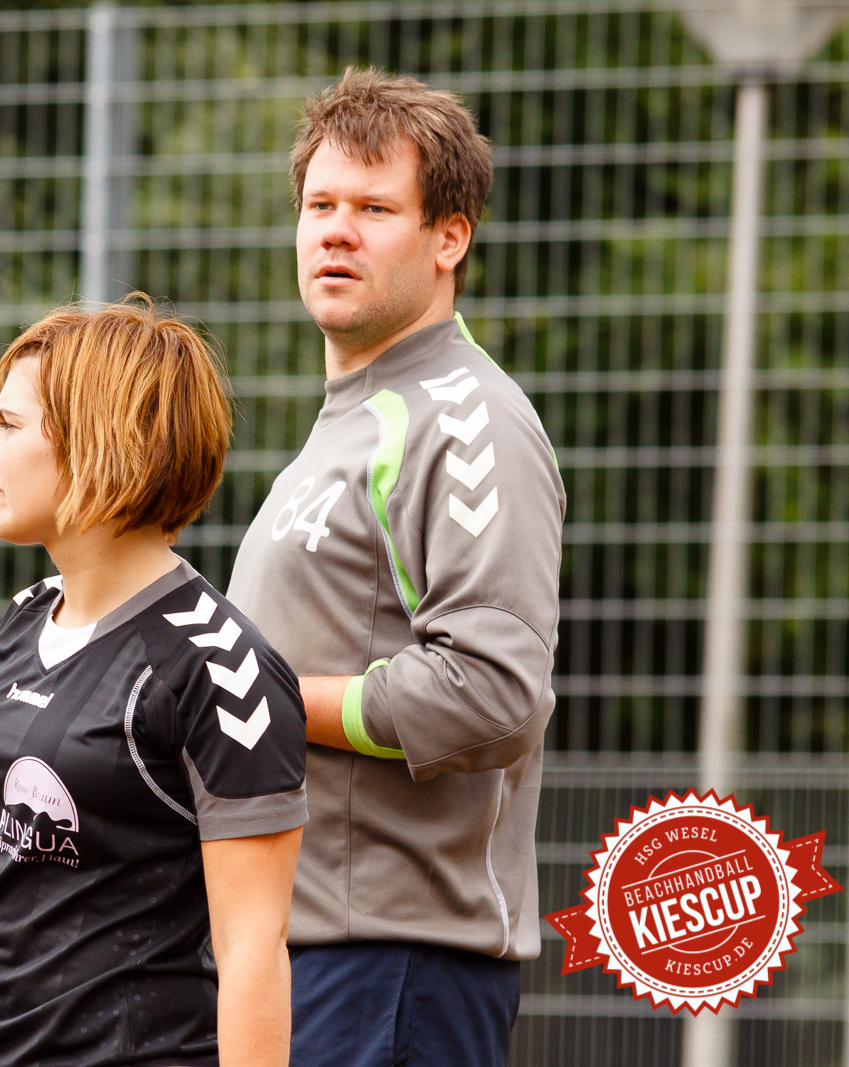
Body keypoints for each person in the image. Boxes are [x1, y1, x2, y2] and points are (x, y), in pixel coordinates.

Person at [0, 298, 308, 1067]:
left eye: (7, 424)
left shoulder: (221, 664)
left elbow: (251, 950)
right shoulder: (24, 618)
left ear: (99, 442)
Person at [224, 69, 566, 1067]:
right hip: (302, 950)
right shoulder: (346, 423)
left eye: (374, 208)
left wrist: (265, 699)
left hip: (398, 963)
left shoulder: (469, 420)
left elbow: (495, 692)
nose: (336, 230)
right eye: (320, 206)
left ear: (447, 237)